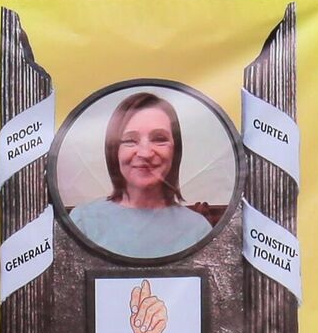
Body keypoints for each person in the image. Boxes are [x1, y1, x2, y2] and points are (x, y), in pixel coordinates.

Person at [65, 91, 214, 260]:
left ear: (175, 150)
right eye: (130, 140)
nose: (145, 153)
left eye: (159, 139)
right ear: (114, 151)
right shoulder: (83, 222)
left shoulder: (198, 230)